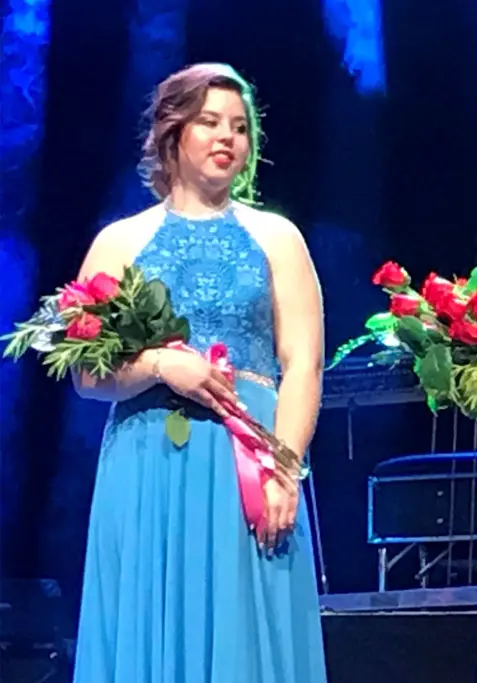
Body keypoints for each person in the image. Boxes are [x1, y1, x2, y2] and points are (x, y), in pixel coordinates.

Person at [70, 63, 327, 683]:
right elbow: (85, 373)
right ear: (171, 134)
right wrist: (160, 364)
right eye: (209, 122)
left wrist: (284, 470)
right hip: (149, 464)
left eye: (239, 127)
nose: (227, 138)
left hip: (252, 459)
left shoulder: (277, 236)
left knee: (249, 626)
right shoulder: (120, 241)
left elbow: (304, 364)